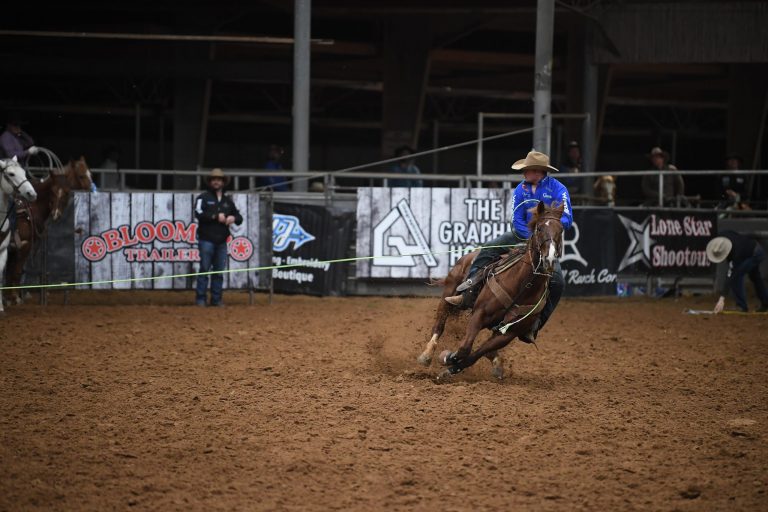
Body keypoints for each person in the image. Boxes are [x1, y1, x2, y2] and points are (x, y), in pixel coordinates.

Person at [445, 150, 573, 342]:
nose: (524, 174)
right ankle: (468, 292)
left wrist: (545, 233)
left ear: (538, 171)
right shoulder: (521, 189)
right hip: (521, 235)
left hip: (545, 241)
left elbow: (567, 217)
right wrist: (530, 237)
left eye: (527, 170)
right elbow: (516, 218)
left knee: (558, 283)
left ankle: (535, 323)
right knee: (488, 249)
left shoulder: (558, 189)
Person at [194, 168, 243, 307]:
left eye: (218, 179)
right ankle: (201, 299)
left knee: (219, 271)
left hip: (221, 241)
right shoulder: (203, 198)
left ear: (222, 182)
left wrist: (233, 217)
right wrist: (215, 216)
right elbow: (198, 213)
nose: (216, 181)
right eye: (214, 179)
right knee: (204, 269)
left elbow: (239, 217)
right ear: (210, 182)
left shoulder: (228, 201)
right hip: (206, 239)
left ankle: (216, 299)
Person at [706, 231, 768, 314]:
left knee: (736, 276)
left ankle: (741, 306)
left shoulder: (736, 254)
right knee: (755, 277)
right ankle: (765, 303)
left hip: (755, 254)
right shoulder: (722, 235)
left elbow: (730, 274)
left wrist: (722, 299)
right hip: (752, 248)